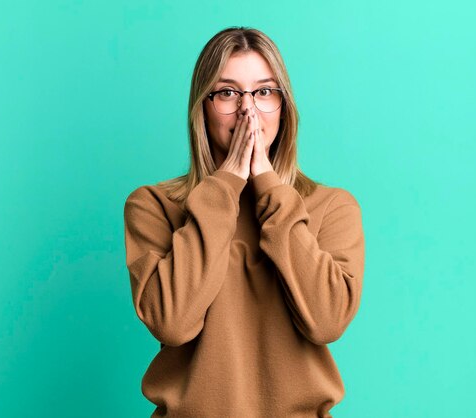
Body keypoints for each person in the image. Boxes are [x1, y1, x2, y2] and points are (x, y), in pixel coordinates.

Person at [123, 26, 366, 418]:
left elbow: (327, 322)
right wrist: (228, 182)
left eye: (264, 92)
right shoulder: (154, 206)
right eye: (228, 93)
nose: (247, 110)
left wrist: (269, 186)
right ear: (202, 107)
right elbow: (172, 322)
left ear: (283, 107)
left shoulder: (331, 207)